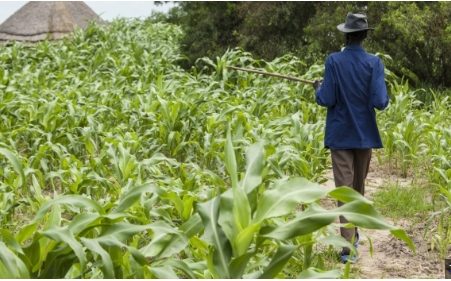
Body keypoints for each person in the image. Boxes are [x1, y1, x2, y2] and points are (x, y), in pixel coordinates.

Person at [313, 12, 389, 263]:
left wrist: (318, 88)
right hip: (364, 136)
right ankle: (349, 242)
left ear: (345, 35)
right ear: (365, 36)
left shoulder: (333, 61)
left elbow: (327, 99)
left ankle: (348, 243)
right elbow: (380, 102)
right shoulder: (375, 63)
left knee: (345, 190)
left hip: (340, 135)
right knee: (356, 188)